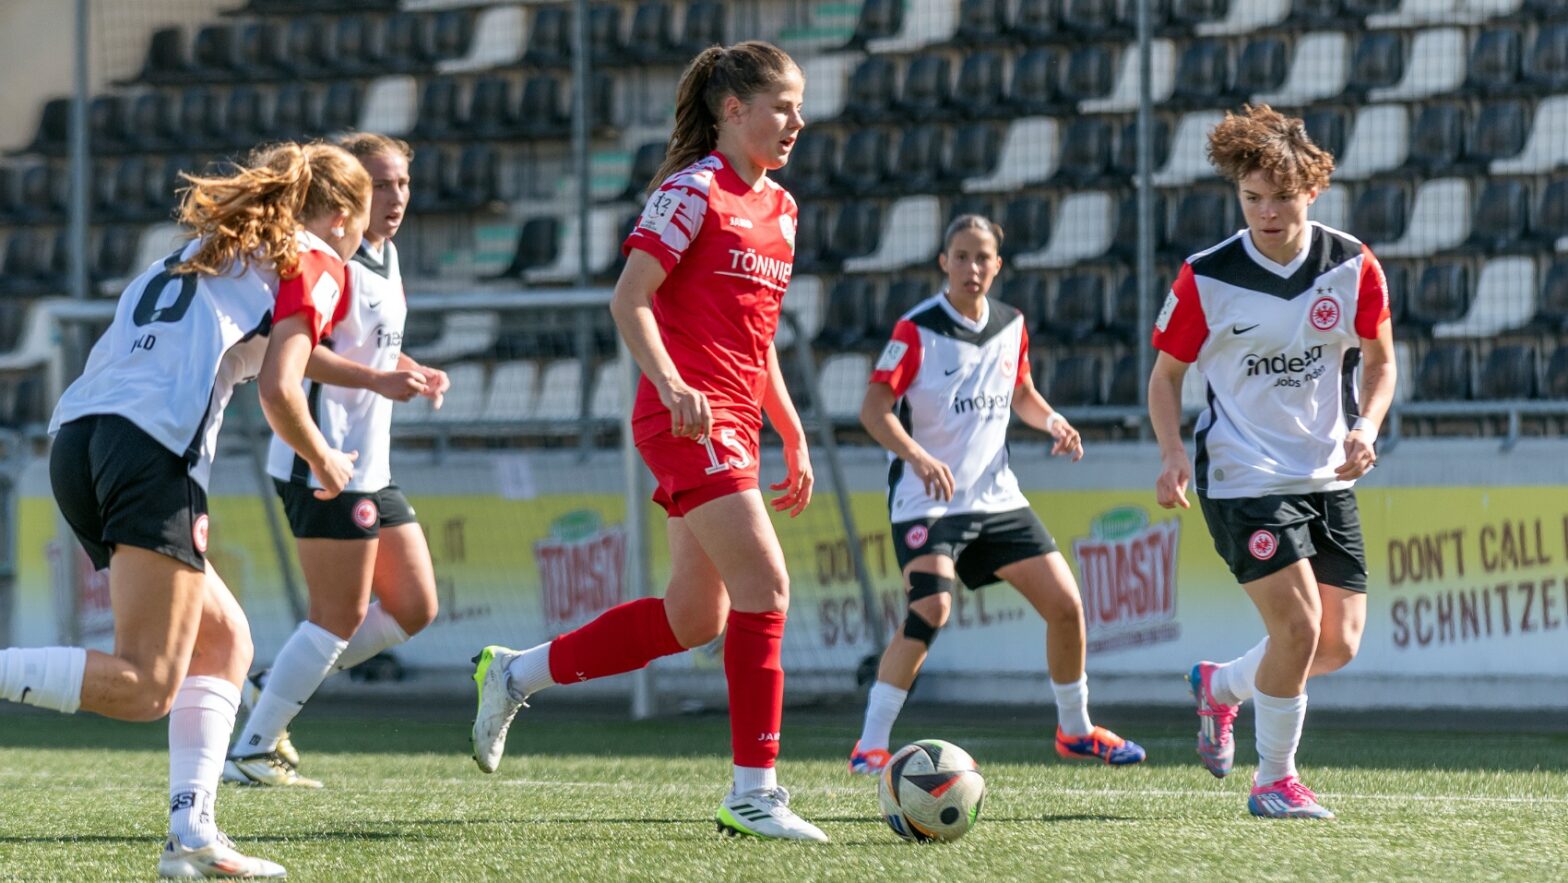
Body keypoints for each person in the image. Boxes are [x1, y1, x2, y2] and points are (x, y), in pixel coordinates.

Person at [468, 41, 827, 841]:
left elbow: (758, 338)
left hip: (734, 422)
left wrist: (792, 430)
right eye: (783, 106)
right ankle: (754, 791)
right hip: (684, 418)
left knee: (696, 617)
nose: (797, 121)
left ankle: (515, 672)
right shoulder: (691, 191)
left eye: (799, 107)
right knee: (767, 586)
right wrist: (670, 384)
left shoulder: (783, 208)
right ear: (732, 109)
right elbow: (629, 300)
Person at [1, 141, 372, 878]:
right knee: (146, 686)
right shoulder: (318, 258)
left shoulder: (208, 249)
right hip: (151, 449)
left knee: (225, 641)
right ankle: (190, 835)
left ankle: (192, 836)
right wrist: (326, 459)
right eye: (362, 222)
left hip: (79, 440)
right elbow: (282, 389)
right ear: (340, 217)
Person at [1148, 104, 1396, 819]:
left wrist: (1367, 427)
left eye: (1281, 198)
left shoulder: (1351, 264)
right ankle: (1274, 781)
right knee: (1298, 628)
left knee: (1337, 643)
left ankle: (1220, 686)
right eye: (1252, 198)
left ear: (1311, 190)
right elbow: (1165, 378)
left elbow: (1381, 363)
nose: (1266, 213)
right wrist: (1172, 453)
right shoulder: (1206, 276)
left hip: (1325, 474)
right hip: (1242, 475)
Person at [848, 215, 1147, 775]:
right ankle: (870, 744)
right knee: (930, 608)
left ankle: (1076, 731)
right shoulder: (916, 330)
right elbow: (872, 410)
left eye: (982, 257)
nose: (972, 267)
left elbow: (1021, 391)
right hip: (928, 499)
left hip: (995, 498)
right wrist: (918, 457)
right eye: (961, 256)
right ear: (944, 262)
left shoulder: (1012, 324)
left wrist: (1053, 420)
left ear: (997, 265)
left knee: (1066, 606)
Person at [225, 133, 450, 788]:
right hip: (322, 458)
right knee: (337, 616)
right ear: (348, 192)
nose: (395, 197)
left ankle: (274, 683)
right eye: (379, 184)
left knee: (413, 606)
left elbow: (364, 346)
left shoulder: (384, 254)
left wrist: (409, 369)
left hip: (370, 466)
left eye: (403, 183)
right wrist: (379, 380)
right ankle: (253, 750)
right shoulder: (331, 259)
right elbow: (299, 355)